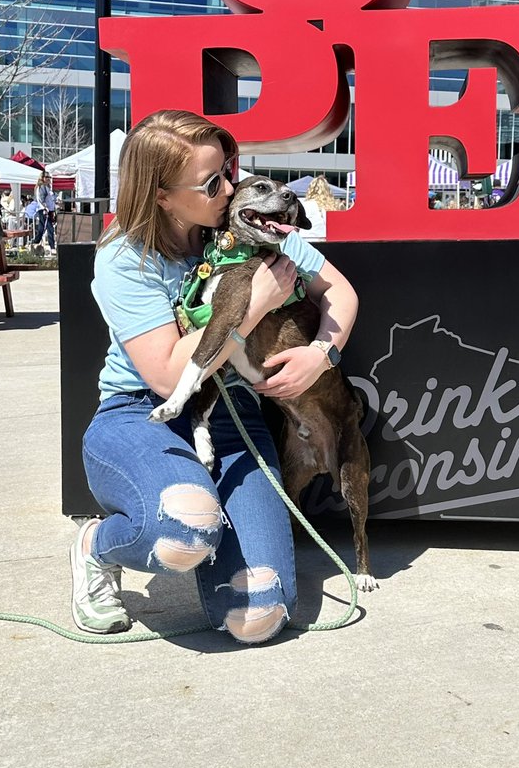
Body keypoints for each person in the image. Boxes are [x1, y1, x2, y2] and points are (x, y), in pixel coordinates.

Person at [73, 109, 359, 641]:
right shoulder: (125, 259)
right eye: (211, 182)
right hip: (144, 415)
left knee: (257, 619)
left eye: (229, 169)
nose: (230, 188)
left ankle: (217, 527)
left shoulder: (249, 222)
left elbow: (339, 293)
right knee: (183, 531)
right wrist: (252, 304)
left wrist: (322, 353)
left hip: (232, 418)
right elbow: (164, 375)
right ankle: (98, 545)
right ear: (161, 195)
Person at [32, 171, 56, 251]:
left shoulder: (48, 187)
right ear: (43, 178)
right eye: (47, 177)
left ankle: (35, 242)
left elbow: (51, 199)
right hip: (43, 210)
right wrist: (45, 208)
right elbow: (40, 199)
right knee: (49, 228)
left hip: (49, 210)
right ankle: (52, 246)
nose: (49, 179)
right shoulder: (41, 187)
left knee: (42, 228)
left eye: (49, 177)